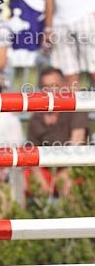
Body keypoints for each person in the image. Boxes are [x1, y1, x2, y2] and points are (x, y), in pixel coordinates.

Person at [27, 67, 90, 198]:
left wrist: (62, 172)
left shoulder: (77, 108)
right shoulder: (37, 117)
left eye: (54, 86)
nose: (50, 91)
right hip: (46, 168)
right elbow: (31, 152)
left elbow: (76, 146)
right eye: (45, 87)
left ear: (64, 86)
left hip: (73, 166)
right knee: (23, 177)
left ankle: (68, 211)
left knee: (66, 180)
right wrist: (39, 178)